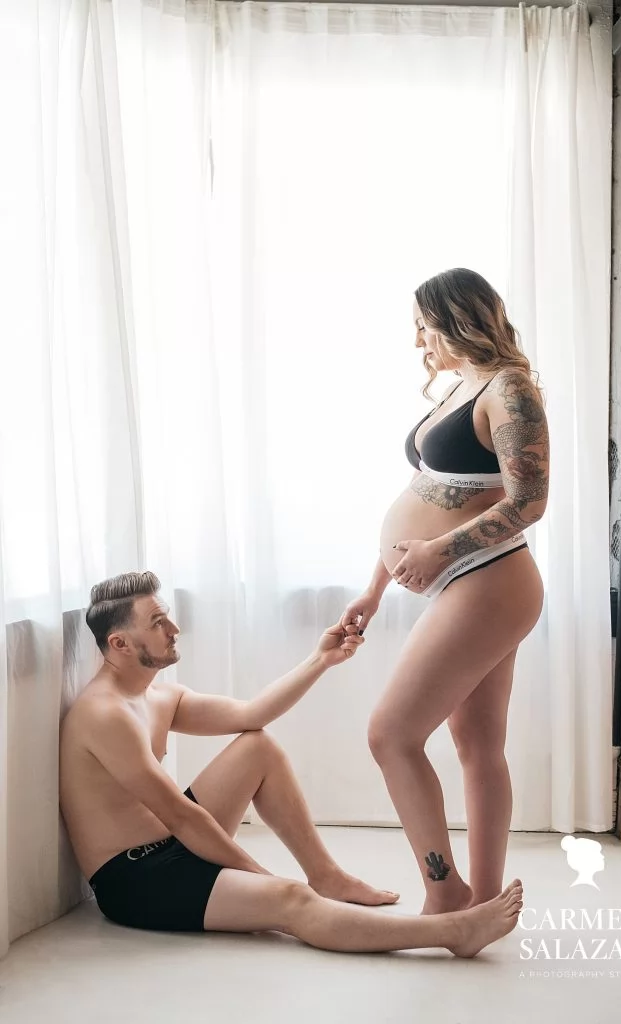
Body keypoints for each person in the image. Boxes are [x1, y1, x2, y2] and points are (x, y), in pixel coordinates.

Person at [59, 570, 524, 956]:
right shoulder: (106, 715)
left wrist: (320, 660)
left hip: (169, 843)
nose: (174, 629)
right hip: (136, 878)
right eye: (158, 622)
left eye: (168, 617)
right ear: (119, 643)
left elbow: (251, 714)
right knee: (290, 901)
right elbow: (181, 815)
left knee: (256, 745)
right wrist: (260, 878)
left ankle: (327, 875)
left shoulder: (157, 694)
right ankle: (453, 934)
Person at [341, 267, 549, 916]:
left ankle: (444, 894)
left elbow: (529, 502)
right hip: (464, 581)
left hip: (489, 580)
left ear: (459, 321)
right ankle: (482, 904)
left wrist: (435, 551)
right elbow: (425, 490)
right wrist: (374, 588)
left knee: (390, 734)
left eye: (424, 328)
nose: (417, 344)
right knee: (476, 745)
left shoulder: (509, 390)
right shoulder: (463, 385)